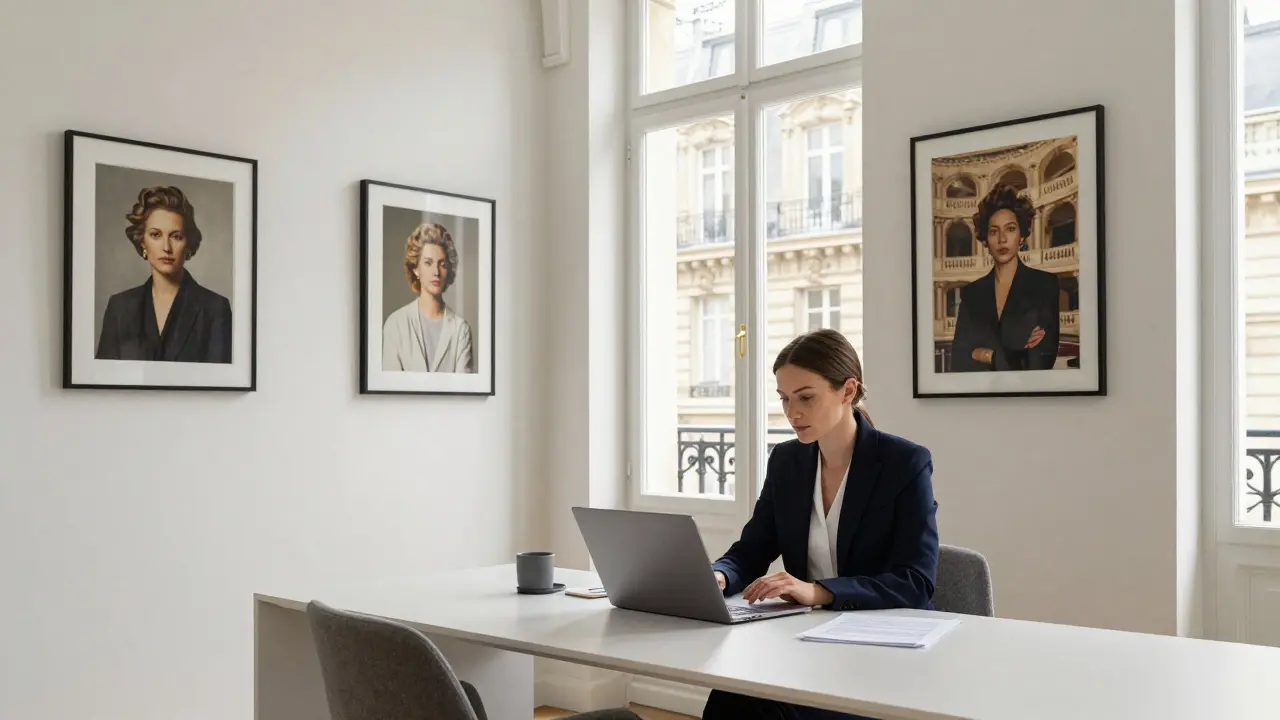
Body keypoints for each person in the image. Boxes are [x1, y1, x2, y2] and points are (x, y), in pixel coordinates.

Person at [703, 329, 939, 720]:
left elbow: (916, 581)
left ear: (848, 391)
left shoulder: (904, 463)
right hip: (805, 641)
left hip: (879, 653)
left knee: (772, 711)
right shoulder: (786, 462)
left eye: (806, 397)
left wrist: (819, 591)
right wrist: (719, 576)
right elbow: (751, 550)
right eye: (784, 399)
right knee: (733, 696)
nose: (792, 412)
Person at [96, 185, 232, 363]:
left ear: (188, 244)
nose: (166, 247)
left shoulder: (215, 309)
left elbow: (220, 384)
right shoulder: (120, 308)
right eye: (155, 235)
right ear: (142, 241)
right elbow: (103, 381)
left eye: (176, 236)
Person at [949, 184, 1060, 372]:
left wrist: (983, 354)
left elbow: (1041, 361)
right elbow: (959, 359)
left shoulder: (1045, 285)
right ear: (985, 240)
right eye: (993, 232)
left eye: (1010, 229)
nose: (1002, 239)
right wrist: (1013, 354)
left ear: (1021, 236)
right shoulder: (971, 293)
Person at [382, 222, 474, 373]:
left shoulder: (460, 330)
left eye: (442, 264)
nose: (436, 272)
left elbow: (463, 392)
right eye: (428, 263)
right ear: (415, 268)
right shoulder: (396, 324)